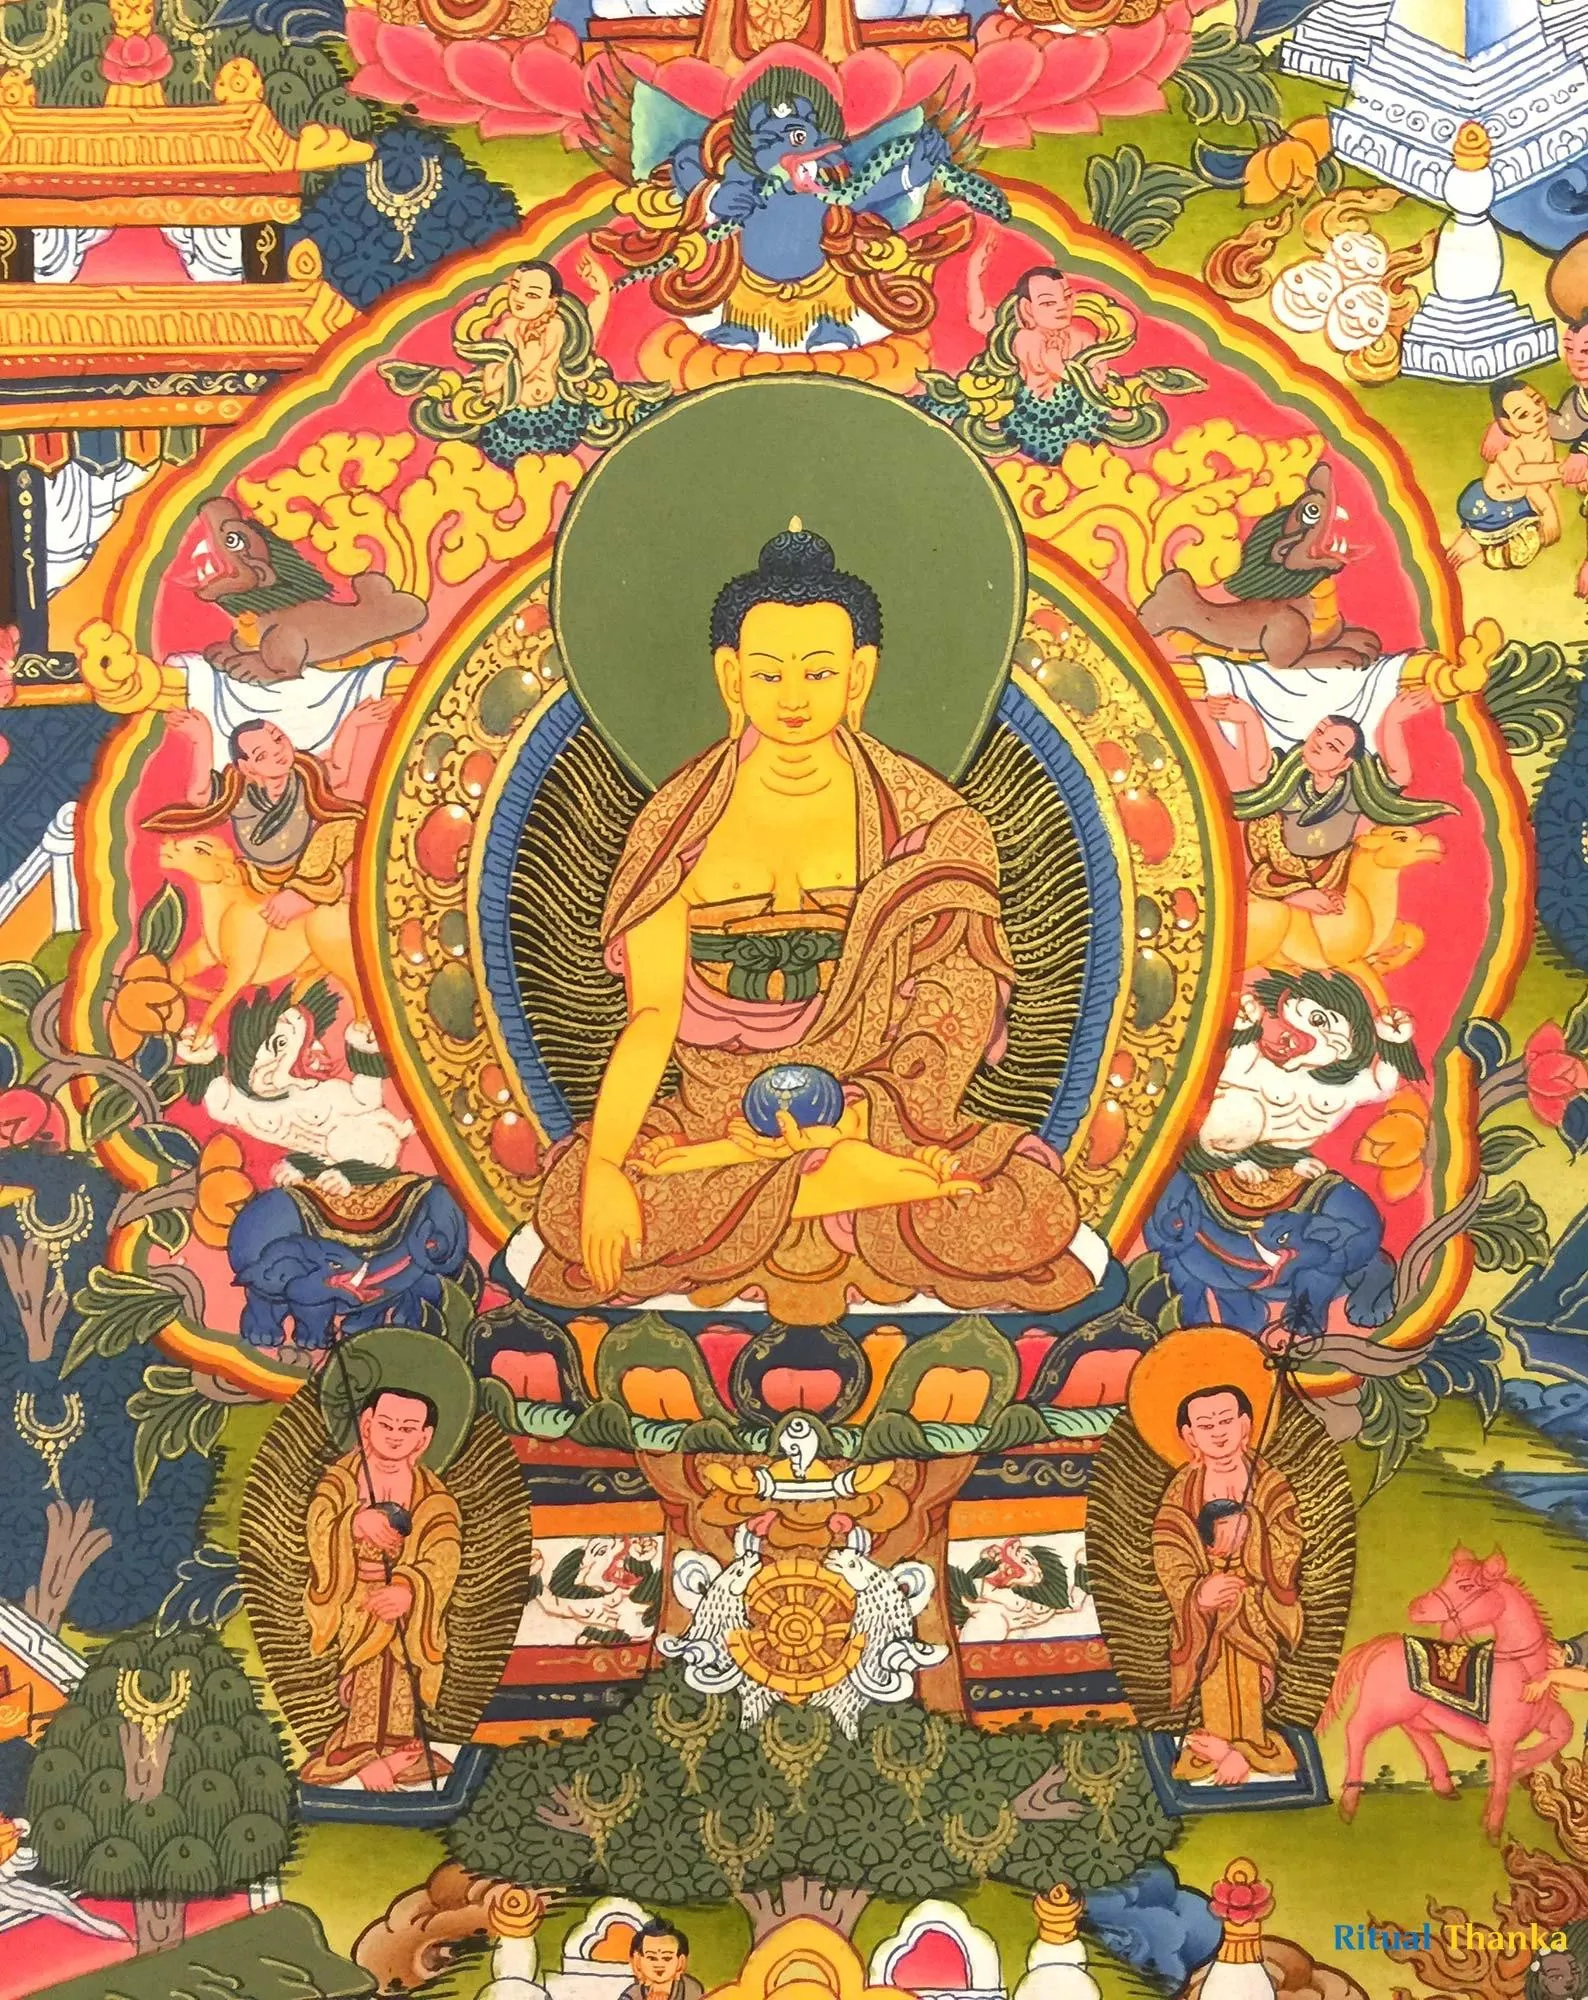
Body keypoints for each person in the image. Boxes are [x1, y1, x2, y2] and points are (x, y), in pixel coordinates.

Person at [515, 525, 1099, 1324]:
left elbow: (952, 1007)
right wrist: (610, 1167)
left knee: (1028, 1207)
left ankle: (822, 1180)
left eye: (819, 672)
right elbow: (652, 1015)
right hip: (716, 1118)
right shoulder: (676, 827)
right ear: (731, 677)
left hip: (875, 1116)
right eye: (769, 673)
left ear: (860, 674)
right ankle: (836, 1189)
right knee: (570, 1197)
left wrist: (869, 1111)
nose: (793, 697)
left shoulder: (928, 823)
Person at [300, 1387, 462, 1790]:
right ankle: (357, 1750)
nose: (394, 1436)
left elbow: (443, 1551)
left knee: (402, 1667)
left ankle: (399, 1748)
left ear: (424, 1439)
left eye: (407, 1429)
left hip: (405, 1604)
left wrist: (410, 1589)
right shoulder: (340, 1481)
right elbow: (319, 1526)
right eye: (386, 1425)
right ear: (367, 1425)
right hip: (353, 1596)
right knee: (368, 1666)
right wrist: (352, 1523)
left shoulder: (433, 1496)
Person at [1151, 1384, 1304, 1784]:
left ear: (1245, 1426)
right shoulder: (1183, 1488)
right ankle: (1214, 1746)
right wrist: (1198, 1593)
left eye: (1225, 1421)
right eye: (1205, 1425)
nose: (1218, 1432)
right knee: (1214, 1675)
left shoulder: (1269, 1481)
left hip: (1255, 1604)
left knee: (1251, 1679)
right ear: (1189, 1437)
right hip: (1206, 1611)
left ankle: (1253, 1745)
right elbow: (1169, 1548)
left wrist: (1251, 1532)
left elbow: (1288, 1541)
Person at [1198, 694, 1452, 918]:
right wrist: (1248, 719)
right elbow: (1259, 771)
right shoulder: (1290, 775)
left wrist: (1392, 721)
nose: (1319, 743)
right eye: (1319, 732)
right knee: (1266, 835)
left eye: (1332, 746)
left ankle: (1309, 893)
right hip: (1283, 865)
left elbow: (1399, 776)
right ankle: (1297, 893)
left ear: (1344, 763)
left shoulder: (1354, 789)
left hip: (1331, 867)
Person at [147, 712, 373, 931]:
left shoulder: (304, 773)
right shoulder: (238, 790)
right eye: (261, 755)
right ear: (247, 767)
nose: (277, 752)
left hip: (307, 869)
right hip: (258, 876)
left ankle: (300, 893)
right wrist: (202, 739)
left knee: (344, 826)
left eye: (278, 739)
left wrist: (353, 723)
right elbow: (198, 796)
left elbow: (338, 770)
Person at [1448, 378, 1563, 570]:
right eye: (1523, 414)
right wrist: (1549, 506)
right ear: (1507, 423)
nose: (1536, 411)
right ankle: (1464, 552)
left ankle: (1495, 552)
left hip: (1521, 506)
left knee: (1520, 545)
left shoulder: (1542, 434)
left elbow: (1539, 482)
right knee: (1471, 542)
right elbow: (1519, 475)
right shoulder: (1508, 445)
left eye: (1537, 401)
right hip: (1493, 504)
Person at [620, 1921, 703, 2000]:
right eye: (652, 1958)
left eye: (667, 1958)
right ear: (637, 1961)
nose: (659, 1964)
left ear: (681, 1962)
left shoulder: (690, 1988)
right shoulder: (633, 1995)